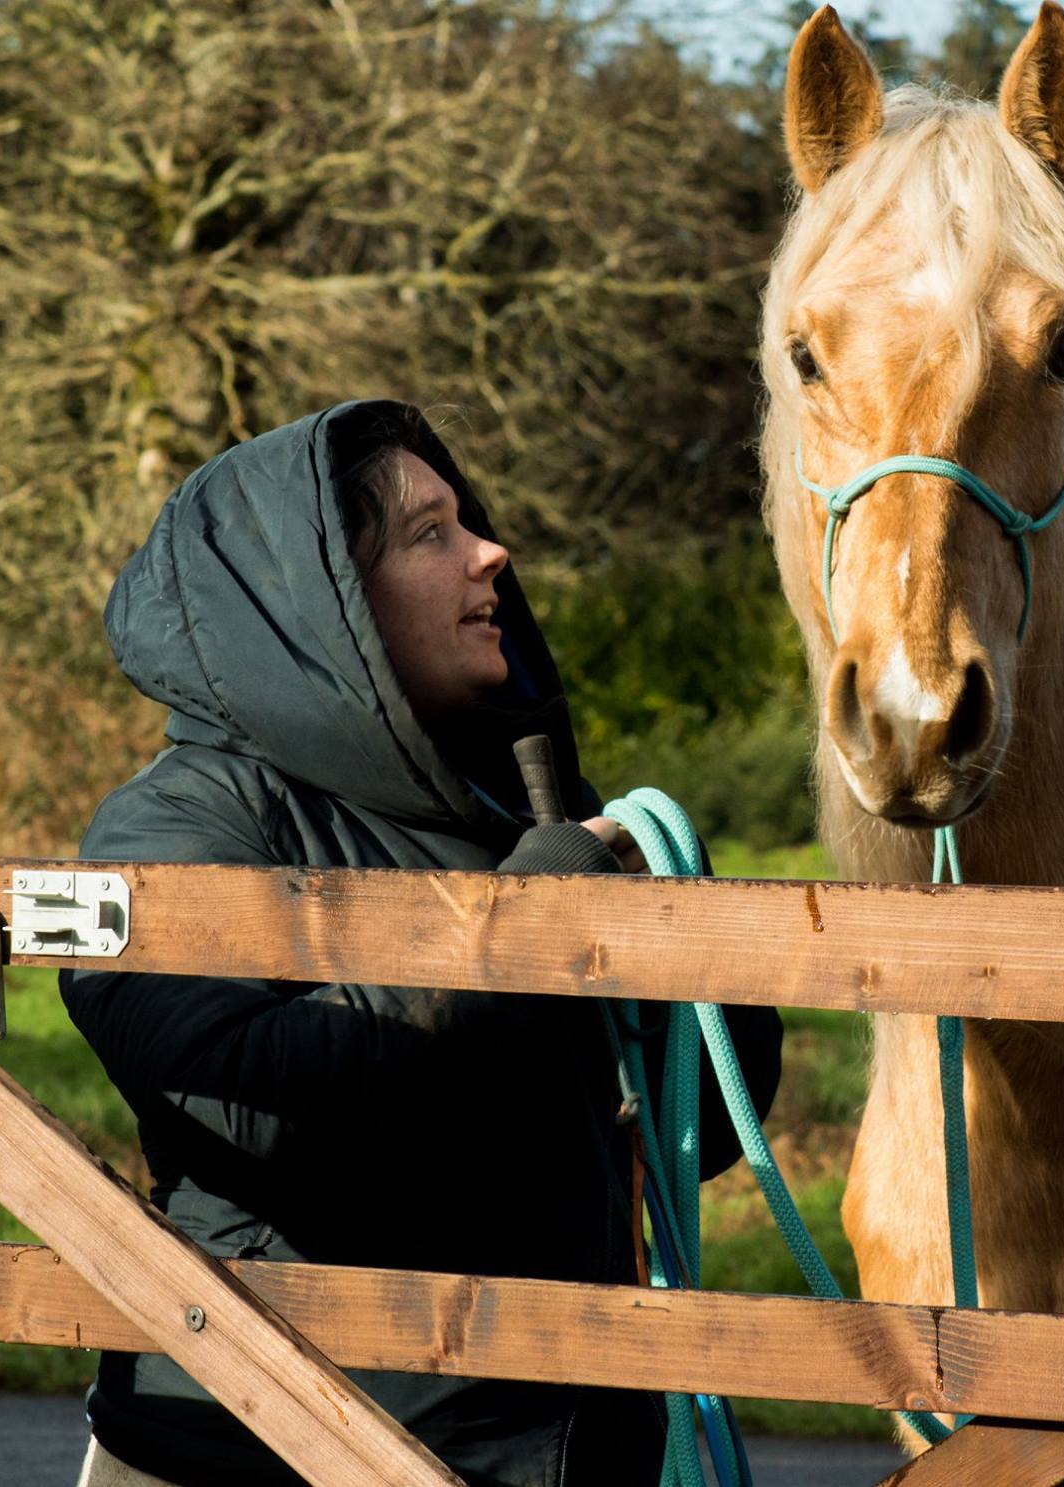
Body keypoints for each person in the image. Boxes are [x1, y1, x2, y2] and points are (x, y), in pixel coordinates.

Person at [59, 400, 782, 1487]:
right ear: (324, 607)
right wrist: (534, 919)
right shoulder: (176, 821)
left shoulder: (529, 802)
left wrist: (695, 961)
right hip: (266, 1440)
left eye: (466, 522)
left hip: (569, 1441)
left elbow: (691, 1130)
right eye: (429, 533)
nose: (493, 552)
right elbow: (249, 1098)